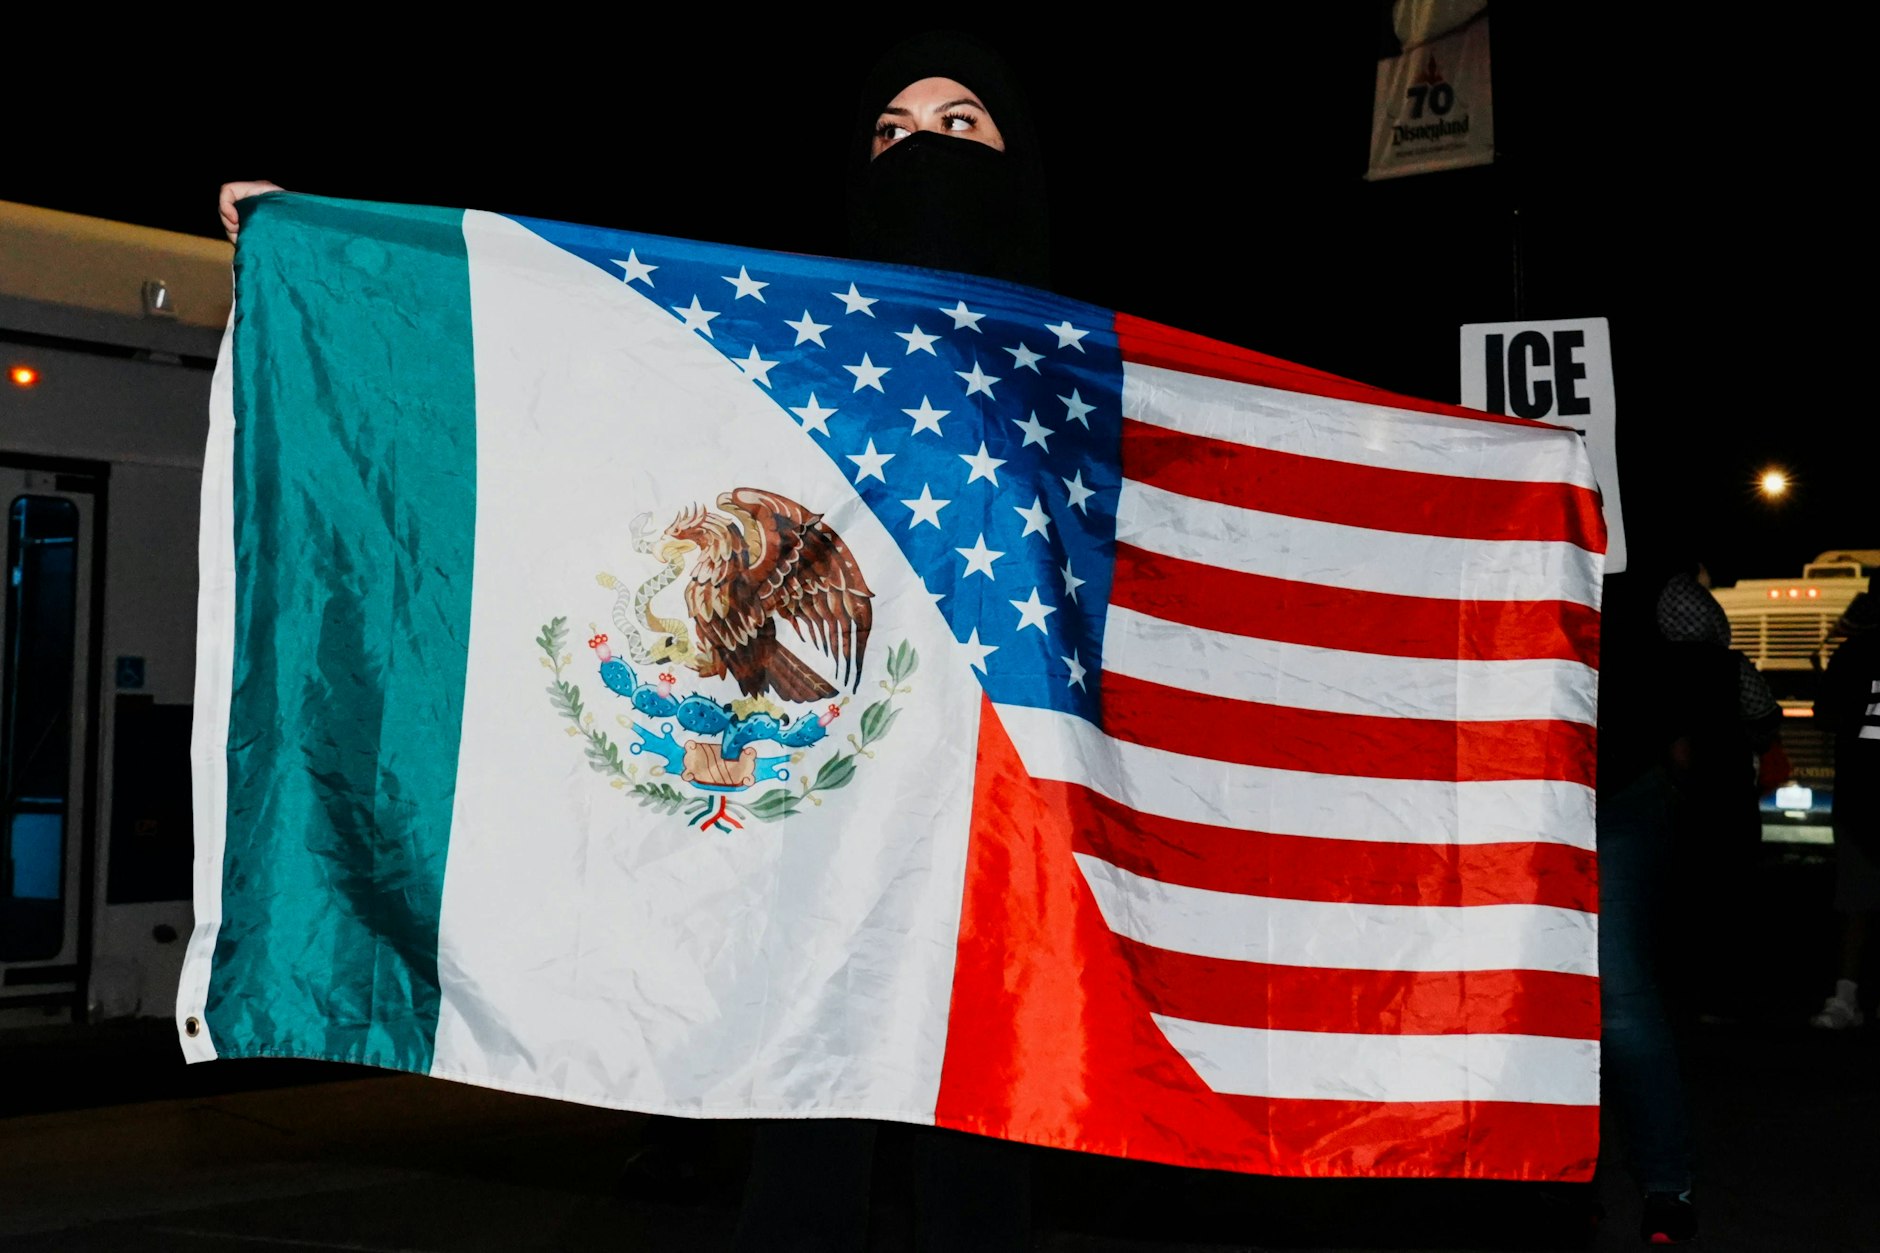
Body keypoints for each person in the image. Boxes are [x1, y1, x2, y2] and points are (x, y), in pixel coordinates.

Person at [219, 32, 1042, 1253]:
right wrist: (324, 247)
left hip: (1003, 828)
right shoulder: (783, 340)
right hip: (823, 825)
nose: (918, 148)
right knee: (805, 1127)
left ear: (1018, 163)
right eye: (889, 129)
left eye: (959, 124)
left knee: (984, 1153)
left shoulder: (1076, 363)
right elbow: (574, 347)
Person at [1810, 592, 1880, 1028]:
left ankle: (1846, 995)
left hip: (1860, 791)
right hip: (1863, 790)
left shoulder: (1852, 653)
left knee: (1856, 898)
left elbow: (1825, 714)